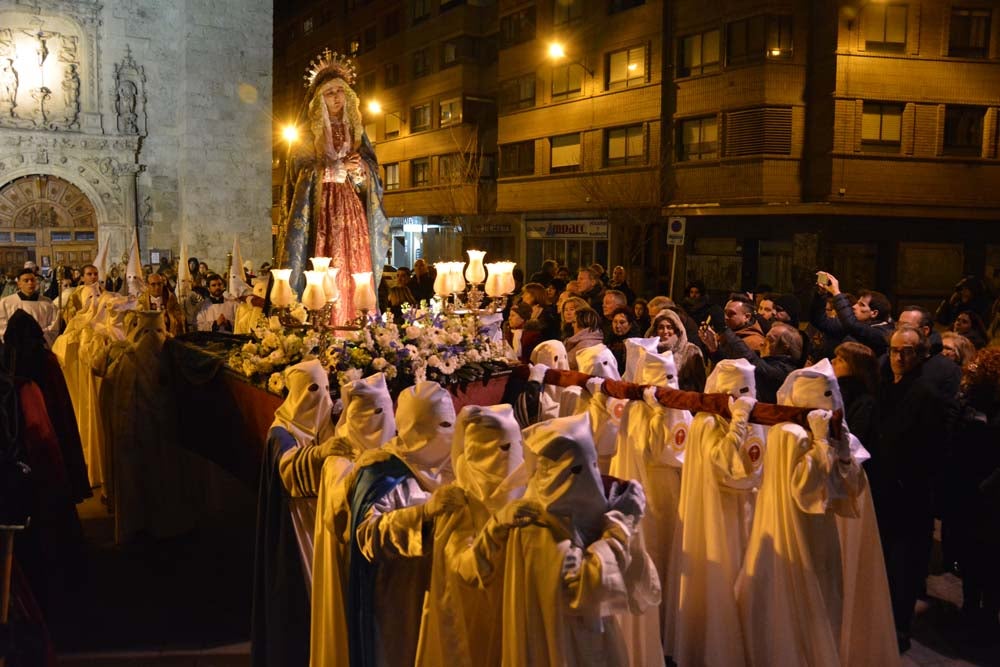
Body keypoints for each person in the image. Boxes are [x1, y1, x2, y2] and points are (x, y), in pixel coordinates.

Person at [277, 49, 389, 325]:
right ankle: (325, 323)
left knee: (355, 265)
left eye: (341, 91)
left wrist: (361, 170)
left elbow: (373, 175)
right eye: (330, 93)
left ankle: (356, 320)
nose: (337, 97)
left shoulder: (356, 131)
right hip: (321, 212)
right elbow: (298, 175)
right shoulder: (307, 133)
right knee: (324, 263)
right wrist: (334, 170)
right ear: (319, 100)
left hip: (351, 212)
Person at [870, 324, 956, 653]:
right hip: (885, 491)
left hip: (910, 495)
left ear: (920, 355)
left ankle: (899, 629)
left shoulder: (928, 395)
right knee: (887, 564)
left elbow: (935, 450)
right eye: (894, 350)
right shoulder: (885, 388)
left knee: (905, 568)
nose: (899, 357)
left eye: (907, 351)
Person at [0, 268, 59, 346]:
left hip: (40, 345)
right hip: (17, 346)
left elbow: (54, 325)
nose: (30, 283)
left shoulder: (47, 303)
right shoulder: (6, 303)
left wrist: (38, 335)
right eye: (26, 280)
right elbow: (2, 327)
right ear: (19, 284)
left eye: (32, 280)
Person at [651, 309, 706, 392]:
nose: (665, 331)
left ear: (676, 329)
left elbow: (700, 385)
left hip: (682, 400)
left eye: (669, 327)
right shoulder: (650, 350)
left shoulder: (690, 351)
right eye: (661, 327)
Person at [139, 272, 185, 336]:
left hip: (170, 337)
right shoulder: (142, 301)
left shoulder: (171, 299)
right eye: (153, 284)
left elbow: (179, 318)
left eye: (159, 284)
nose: (157, 287)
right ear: (147, 285)